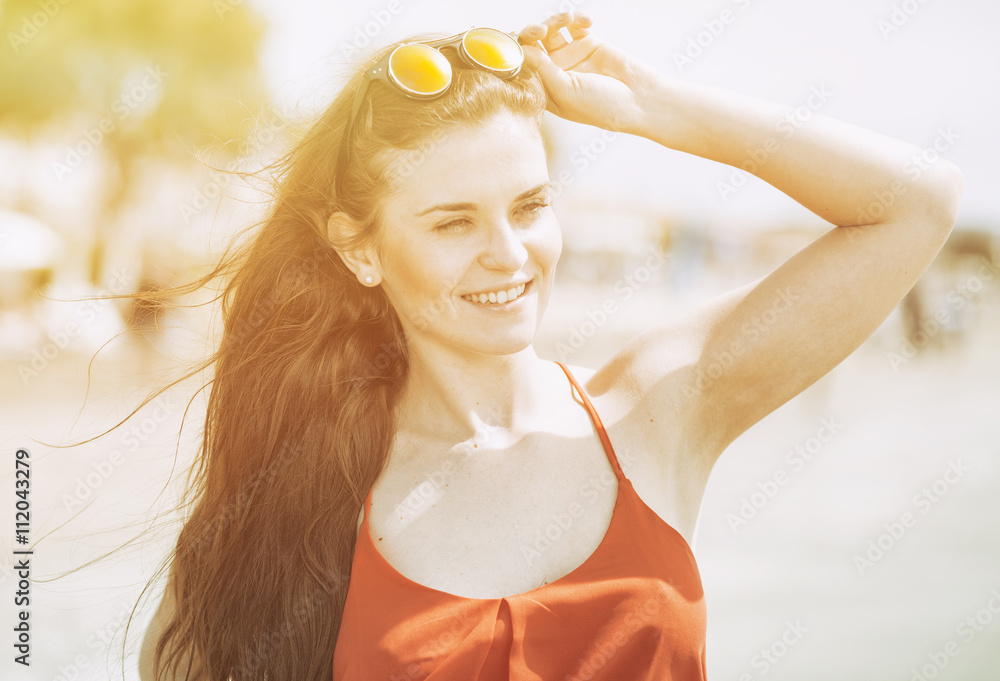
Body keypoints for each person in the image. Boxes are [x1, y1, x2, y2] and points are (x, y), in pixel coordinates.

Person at [137, 9, 962, 681]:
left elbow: (915, 203)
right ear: (360, 248)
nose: (508, 252)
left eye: (529, 206)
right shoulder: (280, 513)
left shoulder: (658, 411)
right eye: (454, 221)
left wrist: (653, 106)